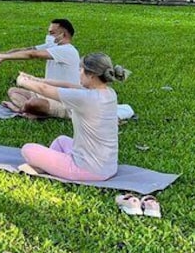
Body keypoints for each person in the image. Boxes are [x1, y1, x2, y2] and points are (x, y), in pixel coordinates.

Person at [16, 53, 130, 181]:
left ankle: (47, 167)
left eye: (81, 69)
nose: (78, 72)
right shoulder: (109, 93)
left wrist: (22, 81)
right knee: (61, 141)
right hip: (108, 167)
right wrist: (35, 79)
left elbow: (43, 90)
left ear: (91, 75)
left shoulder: (85, 98)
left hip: (87, 169)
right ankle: (47, 166)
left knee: (28, 150)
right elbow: (68, 85)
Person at [0, 19, 80, 118]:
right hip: (46, 94)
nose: (49, 36)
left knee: (34, 103)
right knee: (13, 91)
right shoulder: (52, 46)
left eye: (52, 33)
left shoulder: (67, 50)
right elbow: (28, 50)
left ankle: (21, 110)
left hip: (63, 101)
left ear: (63, 34)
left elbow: (33, 54)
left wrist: (3, 57)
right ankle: (30, 111)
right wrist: (2, 55)